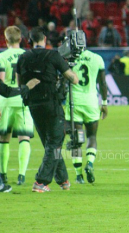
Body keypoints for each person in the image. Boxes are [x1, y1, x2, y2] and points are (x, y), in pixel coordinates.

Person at [16, 27, 79, 192]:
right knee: (55, 141)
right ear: (45, 39)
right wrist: (71, 66)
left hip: (33, 105)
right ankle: (41, 182)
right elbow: (73, 79)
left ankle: (63, 179)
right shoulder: (53, 55)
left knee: (50, 142)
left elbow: (19, 84)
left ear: (29, 41)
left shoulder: (23, 57)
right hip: (51, 103)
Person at [67, 48, 108, 184]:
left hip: (75, 103)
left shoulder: (68, 59)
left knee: (76, 140)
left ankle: (79, 176)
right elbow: (102, 83)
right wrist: (104, 103)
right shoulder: (97, 58)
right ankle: (90, 163)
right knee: (91, 136)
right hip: (91, 102)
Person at [0, 26, 35, 186]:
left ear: (6, 40)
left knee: (3, 139)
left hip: (5, 102)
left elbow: (0, 82)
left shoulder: (2, 57)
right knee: (24, 138)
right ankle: (21, 175)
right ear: (20, 39)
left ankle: (3, 174)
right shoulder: (28, 56)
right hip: (23, 100)